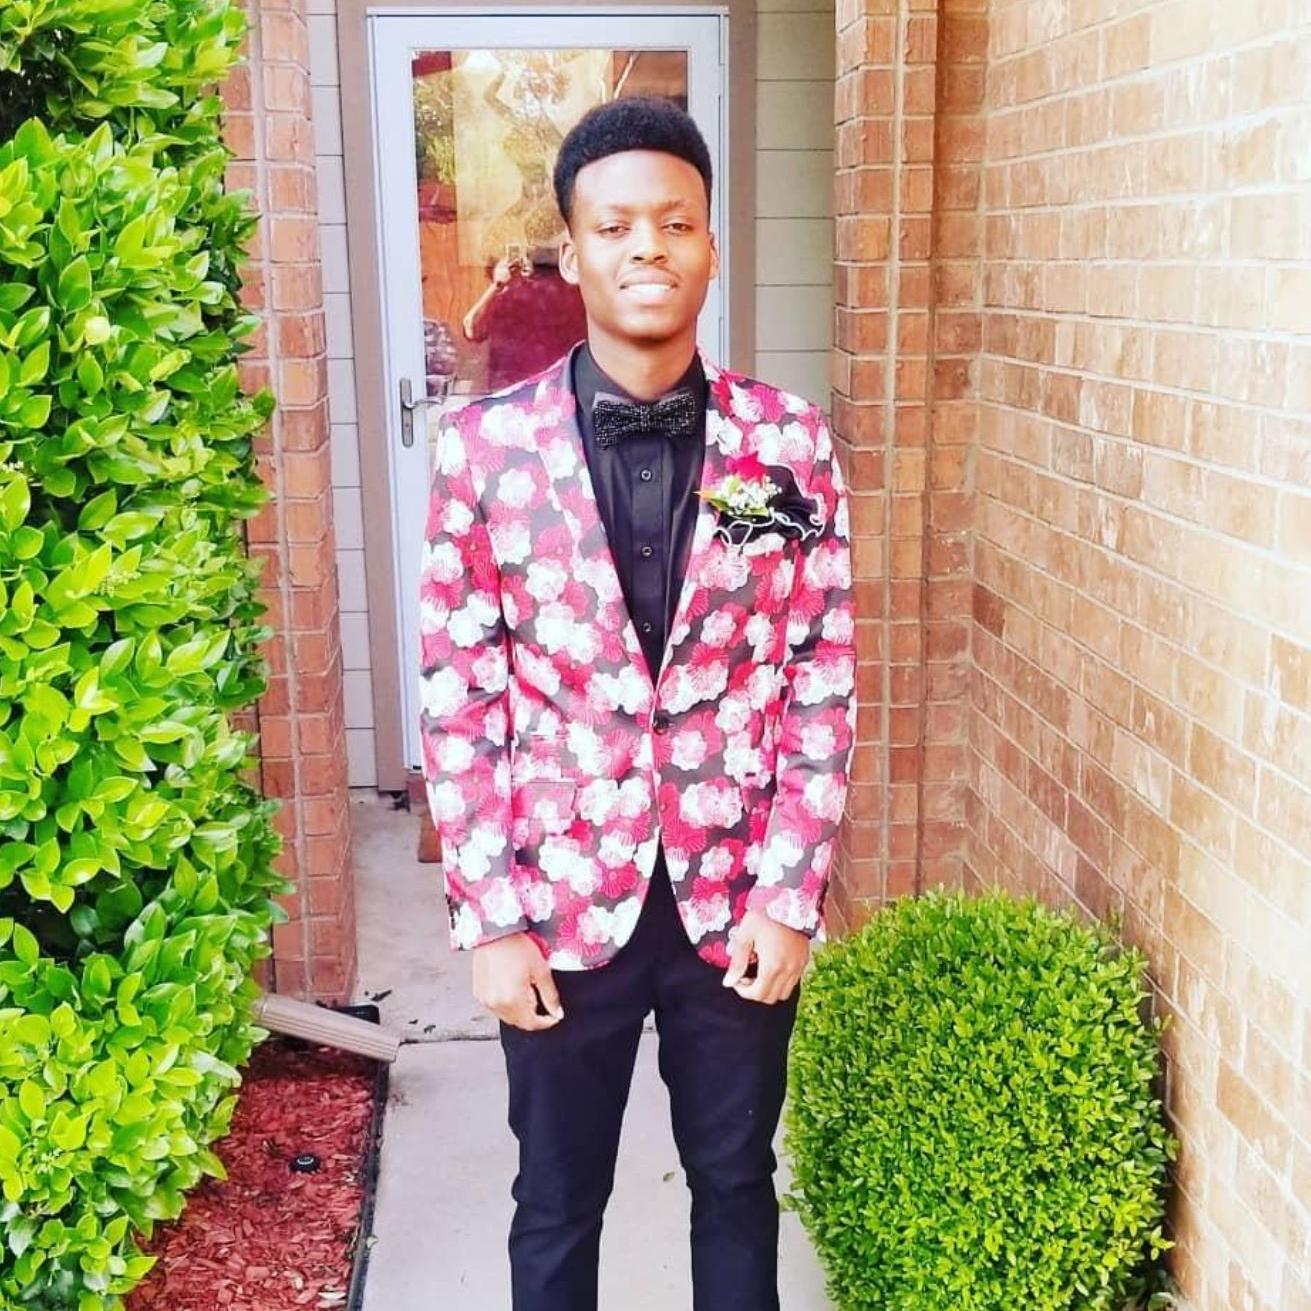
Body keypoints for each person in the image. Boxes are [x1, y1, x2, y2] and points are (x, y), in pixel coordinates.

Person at [418, 95, 856, 1311]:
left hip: (737, 901)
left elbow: (820, 675)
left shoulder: (790, 445)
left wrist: (791, 894)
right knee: (556, 1202)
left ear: (711, 243)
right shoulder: (484, 450)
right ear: (572, 254)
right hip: (557, 904)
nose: (646, 248)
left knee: (737, 1185)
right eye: (614, 227)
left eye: (675, 222)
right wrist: (489, 922)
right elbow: (459, 695)